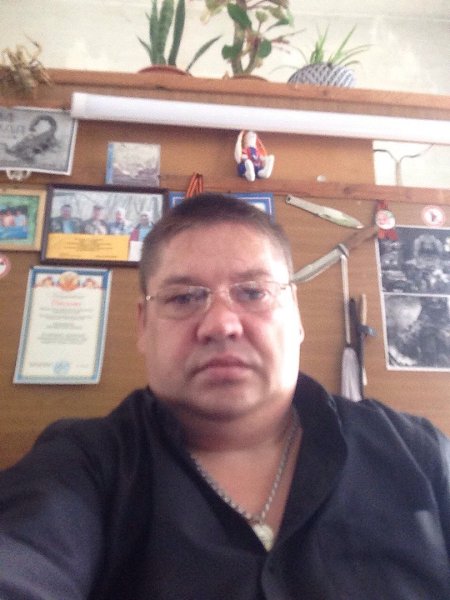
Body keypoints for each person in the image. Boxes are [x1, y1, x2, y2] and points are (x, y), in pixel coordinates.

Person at [0, 193, 449, 600]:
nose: (220, 324)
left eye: (253, 292)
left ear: (295, 314)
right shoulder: (82, 466)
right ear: (143, 324)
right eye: (183, 298)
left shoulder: (414, 450)